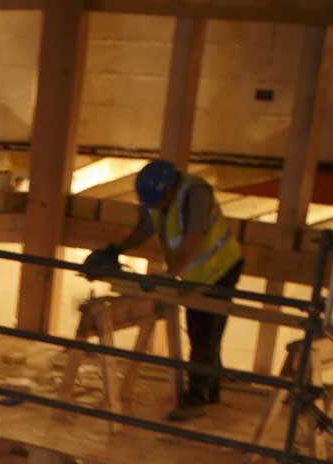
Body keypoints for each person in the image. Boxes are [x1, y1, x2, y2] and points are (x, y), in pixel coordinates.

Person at [80, 158, 244, 419]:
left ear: (169, 189)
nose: (156, 208)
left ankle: (198, 398)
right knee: (203, 332)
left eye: (159, 203)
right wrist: (119, 248)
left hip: (221, 269)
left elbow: (193, 240)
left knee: (205, 332)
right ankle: (211, 387)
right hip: (196, 273)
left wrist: (168, 276)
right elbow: (145, 227)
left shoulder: (195, 195)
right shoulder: (158, 198)